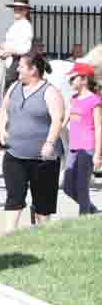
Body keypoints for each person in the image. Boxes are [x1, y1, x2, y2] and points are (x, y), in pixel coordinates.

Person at [0, 53, 64, 233]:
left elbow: (58, 119)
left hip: (43, 158)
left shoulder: (50, 91)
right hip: (14, 153)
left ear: (33, 70)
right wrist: (2, 129)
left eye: (21, 66)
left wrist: (50, 143)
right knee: (14, 197)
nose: (17, 69)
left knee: (43, 203)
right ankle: (9, 236)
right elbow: (3, 109)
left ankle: (43, 237)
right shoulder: (14, 87)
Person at [61, 61, 101, 215]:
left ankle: (83, 217)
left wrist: (97, 154)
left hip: (88, 148)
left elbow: (98, 128)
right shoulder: (73, 99)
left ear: (84, 79)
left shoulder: (94, 100)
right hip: (73, 148)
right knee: (68, 187)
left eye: (73, 78)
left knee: (82, 187)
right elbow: (64, 121)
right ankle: (90, 208)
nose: (70, 81)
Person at [0, 0, 34, 89]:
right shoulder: (15, 24)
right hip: (7, 60)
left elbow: (26, 48)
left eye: (19, 9)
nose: (16, 11)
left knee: (9, 86)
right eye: (15, 9)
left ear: (25, 11)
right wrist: (3, 46)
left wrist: (10, 50)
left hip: (16, 61)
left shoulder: (26, 26)